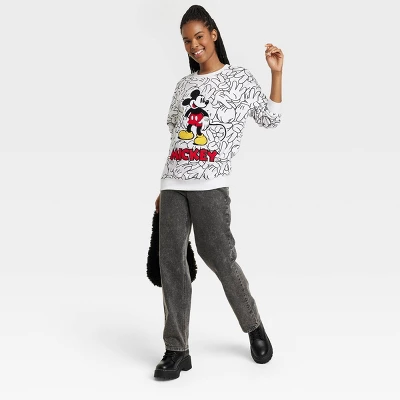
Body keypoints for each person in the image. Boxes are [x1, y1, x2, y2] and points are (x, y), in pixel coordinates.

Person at [153, 4, 284, 380]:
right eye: (186, 40)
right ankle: (177, 349)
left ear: (213, 34)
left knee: (219, 258)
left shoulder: (238, 78)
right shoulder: (183, 85)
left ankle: (253, 325)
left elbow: (270, 119)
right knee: (171, 262)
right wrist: (163, 185)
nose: (193, 45)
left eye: (199, 36)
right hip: (174, 182)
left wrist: (276, 74)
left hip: (211, 185)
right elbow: (176, 137)